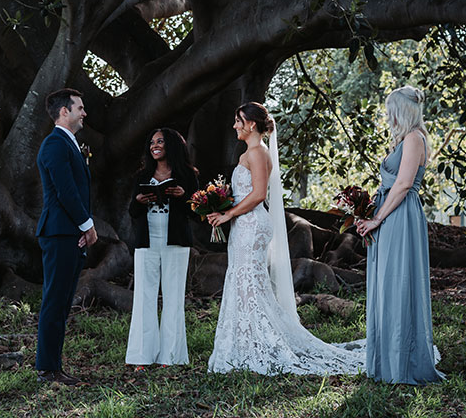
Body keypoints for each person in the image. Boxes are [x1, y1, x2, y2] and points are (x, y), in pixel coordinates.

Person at [206, 102, 366, 375]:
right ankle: (245, 340)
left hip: (252, 224)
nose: (234, 126)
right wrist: (217, 205)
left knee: (248, 282)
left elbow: (257, 196)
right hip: (243, 224)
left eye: (238, 121)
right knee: (244, 281)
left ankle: (257, 342)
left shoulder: (257, 153)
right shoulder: (250, 152)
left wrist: (228, 214)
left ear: (251, 124)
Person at [355, 86, 445, 384]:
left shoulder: (414, 138)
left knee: (397, 284)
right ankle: (385, 361)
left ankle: (399, 363)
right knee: (386, 285)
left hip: (399, 216)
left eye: (391, 109)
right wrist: (367, 211)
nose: (387, 114)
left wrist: (377, 218)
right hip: (388, 214)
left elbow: (404, 183)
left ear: (402, 111)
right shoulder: (405, 140)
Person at [35, 88, 98, 386]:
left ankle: (54, 365)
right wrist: (87, 225)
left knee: (62, 302)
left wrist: (81, 229)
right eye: (80, 108)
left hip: (69, 233)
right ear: (64, 111)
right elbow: (66, 192)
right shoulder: (54, 144)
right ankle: (47, 369)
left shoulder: (70, 144)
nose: (84, 113)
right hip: (59, 232)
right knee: (54, 300)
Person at [125, 128, 199, 369]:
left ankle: (171, 357)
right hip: (147, 242)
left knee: (173, 297)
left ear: (172, 146)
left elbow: (197, 214)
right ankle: (142, 357)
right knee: (144, 297)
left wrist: (183, 195)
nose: (154, 145)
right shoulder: (141, 175)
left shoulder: (187, 174)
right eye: (152, 142)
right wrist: (138, 201)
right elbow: (132, 213)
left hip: (175, 242)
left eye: (160, 141)